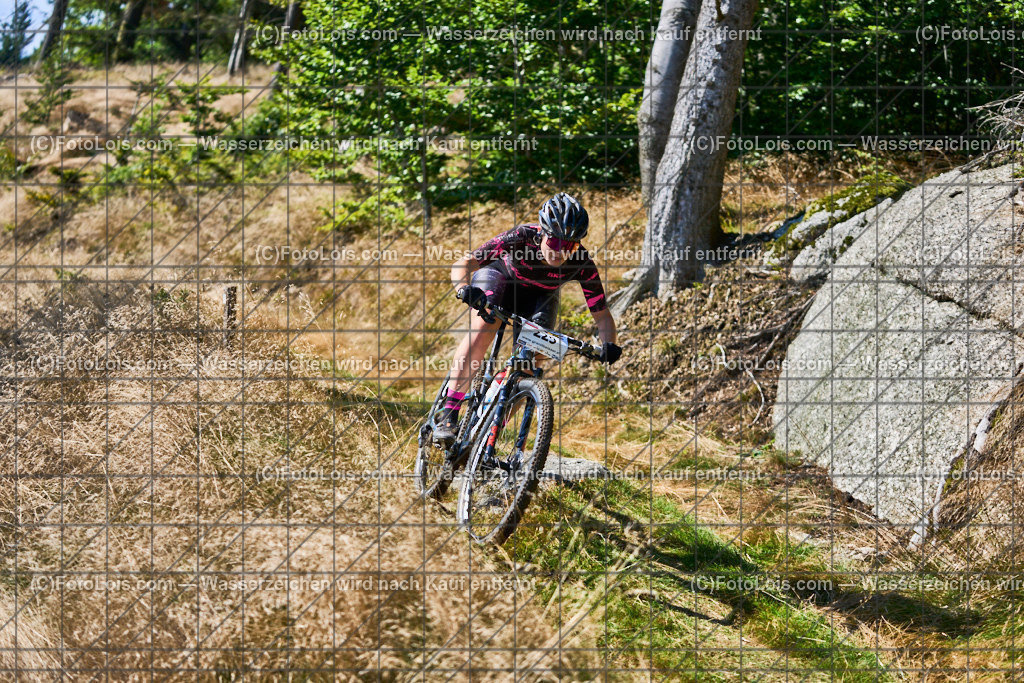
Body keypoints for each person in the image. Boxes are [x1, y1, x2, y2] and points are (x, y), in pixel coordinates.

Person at [433, 192, 622, 446]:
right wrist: (463, 288)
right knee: (483, 327)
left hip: (540, 298)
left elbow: (601, 315)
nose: (560, 252)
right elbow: (464, 263)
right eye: (555, 242)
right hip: (500, 280)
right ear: (542, 233)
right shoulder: (522, 236)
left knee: (533, 361)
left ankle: (486, 435)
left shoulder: (581, 263)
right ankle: (449, 414)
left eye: (570, 245)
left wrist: (609, 344)